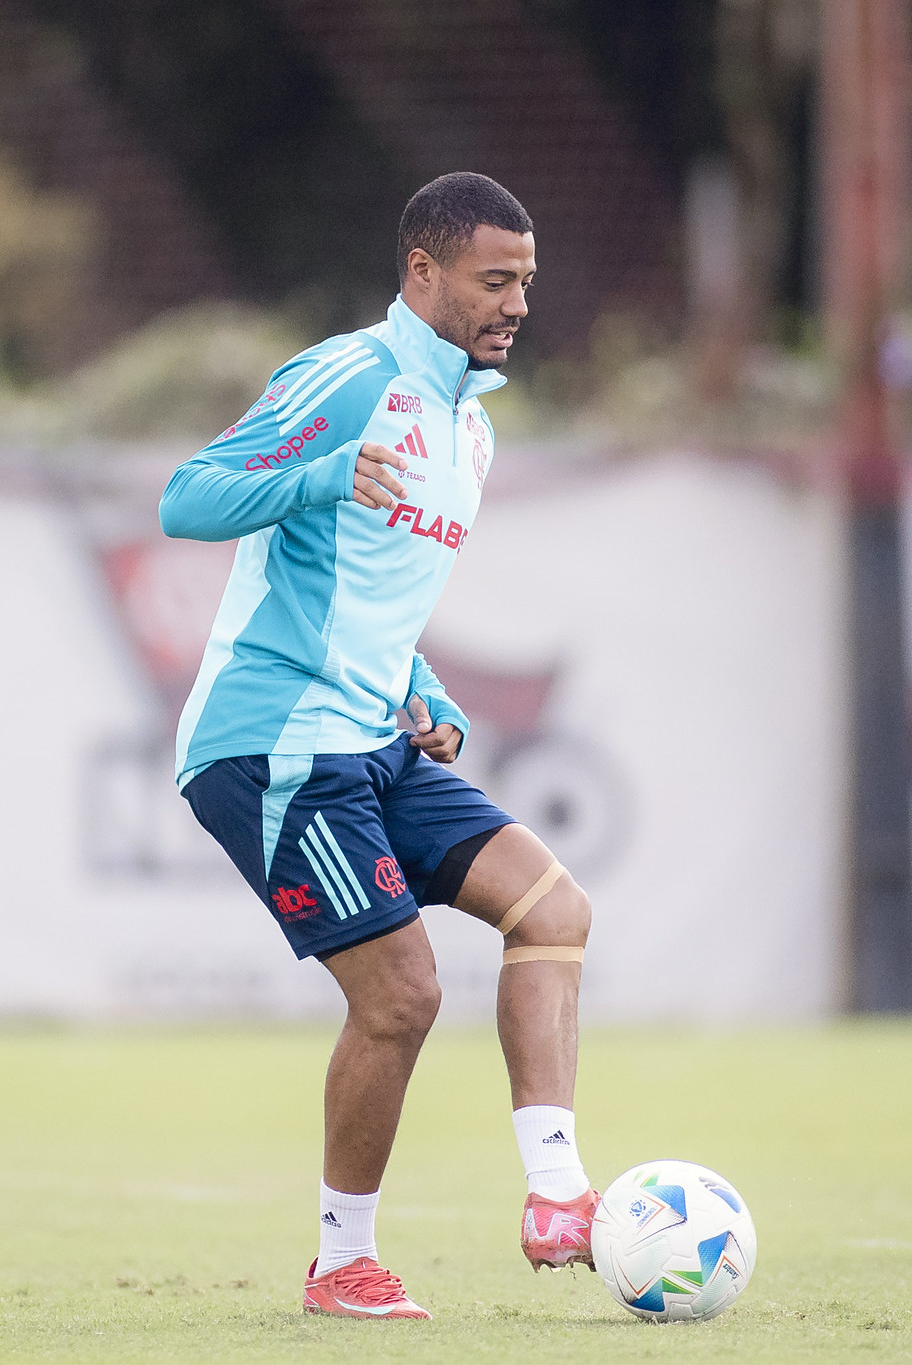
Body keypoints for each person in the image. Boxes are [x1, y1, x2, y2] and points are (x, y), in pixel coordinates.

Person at [159, 172, 596, 1320]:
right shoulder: (350, 377)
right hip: (271, 741)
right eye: (494, 280)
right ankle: (339, 1262)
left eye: (525, 283)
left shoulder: (470, 424)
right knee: (401, 995)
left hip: (367, 734)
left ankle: (558, 1194)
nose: (515, 304)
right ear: (422, 271)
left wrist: (421, 684)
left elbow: (368, 595)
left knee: (551, 910)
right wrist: (314, 474)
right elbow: (186, 496)